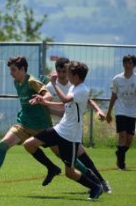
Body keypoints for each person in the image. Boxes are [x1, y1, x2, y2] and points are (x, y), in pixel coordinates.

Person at [0, 56, 61, 190]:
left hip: (42, 127)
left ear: (22, 69)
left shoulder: (32, 81)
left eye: (14, 70)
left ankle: (93, 179)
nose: (11, 73)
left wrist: (41, 98)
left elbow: (48, 96)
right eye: (10, 70)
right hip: (24, 125)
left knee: (64, 155)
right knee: (2, 145)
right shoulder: (17, 82)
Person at [23, 61, 103, 200]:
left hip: (70, 136)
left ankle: (95, 186)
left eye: (70, 74)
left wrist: (54, 83)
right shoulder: (74, 87)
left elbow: (65, 100)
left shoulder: (82, 90)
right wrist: (45, 102)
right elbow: (64, 106)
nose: (67, 76)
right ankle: (52, 168)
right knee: (29, 144)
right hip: (59, 129)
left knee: (70, 173)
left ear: (76, 76)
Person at [46, 57, 112, 193]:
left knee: (81, 158)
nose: (62, 74)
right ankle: (95, 183)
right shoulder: (49, 86)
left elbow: (86, 100)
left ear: (71, 73)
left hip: (71, 130)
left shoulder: (73, 86)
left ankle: (99, 182)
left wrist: (99, 110)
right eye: (60, 71)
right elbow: (49, 104)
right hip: (58, 128)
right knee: (73, 161)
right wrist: (46, 104)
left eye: (65, 71)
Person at [106, 54, 136, 170]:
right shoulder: (117, 79)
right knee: (122, 135)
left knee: (129, 139)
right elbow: (113, 96)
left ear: (134, 65)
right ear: (123, 64)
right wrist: (109, 113)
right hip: (120, 110)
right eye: (125, 62)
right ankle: (121, 164)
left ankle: (120, 153)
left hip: (133, 111)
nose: (127, 65)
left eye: (130, 63)